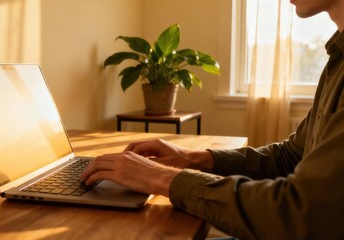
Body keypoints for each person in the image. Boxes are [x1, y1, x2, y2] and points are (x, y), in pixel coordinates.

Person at [80, 0, 344, 239]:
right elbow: (290, 156)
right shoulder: (337, 57)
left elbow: (301, 214)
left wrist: (160, 177)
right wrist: (193, 158)